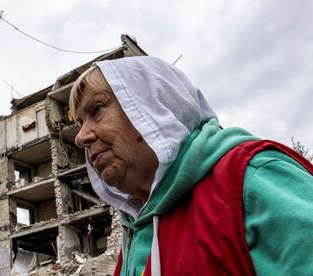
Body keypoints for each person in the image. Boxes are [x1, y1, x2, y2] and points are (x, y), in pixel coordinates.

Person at [69, 56, 313, 276]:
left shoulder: (249, 178)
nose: (80, 137)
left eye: (97, 109)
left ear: (152, 107)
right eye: (80, 123)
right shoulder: (133, 232)